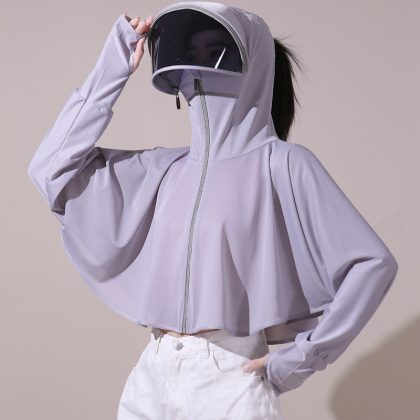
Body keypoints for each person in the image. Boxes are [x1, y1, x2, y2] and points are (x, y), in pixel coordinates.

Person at [27, 2, 399, 419]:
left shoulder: (281, 164)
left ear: (250, 64)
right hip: (153, 372)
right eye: (193, 53)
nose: (200, 65)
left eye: (215, 52)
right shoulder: (164, 170)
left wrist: (298, 360)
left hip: (229, 375)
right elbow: (50, 169)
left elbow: (373, 264)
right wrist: (114, 64)